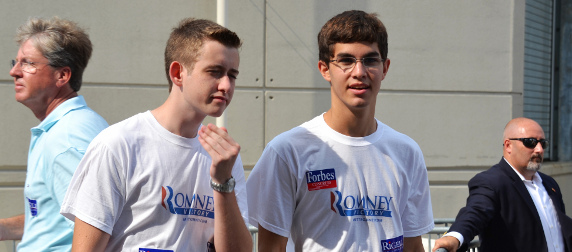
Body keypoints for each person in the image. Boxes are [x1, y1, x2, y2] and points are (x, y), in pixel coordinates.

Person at [246, 10, 434, 252]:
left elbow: (412, 246)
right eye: (346, 61)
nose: (359, 72)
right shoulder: (287, 151)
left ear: (385, 68)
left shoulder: (407, 152)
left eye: (370, 60)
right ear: (325, 69)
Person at [59, 18, 252, 252]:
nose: (226, 85)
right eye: (215, 72)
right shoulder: (119, 144)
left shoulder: (224, 156)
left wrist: (223, 183)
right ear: (178, 73)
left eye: (232, 75)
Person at [0, 17, 108, 251]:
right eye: (16, 62)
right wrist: (5, 228)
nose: (14, 72)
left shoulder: (67, 138)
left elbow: (95, 226)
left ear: (62, 76)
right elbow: (54, 219)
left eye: (28, 63)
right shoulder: (63, 128)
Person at [433, 117, 572, 252]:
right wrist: (454, 237)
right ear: (508, 145)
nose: (539, 149)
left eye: (543, 143)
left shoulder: (549, 183)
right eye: (530, 142)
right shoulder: (491, 182)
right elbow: (475, 212)